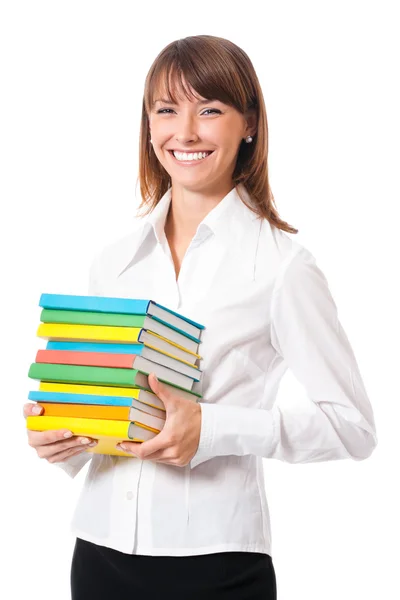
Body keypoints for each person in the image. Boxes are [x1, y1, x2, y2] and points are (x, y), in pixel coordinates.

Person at [23, 34, 378, 599]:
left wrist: (213, 427)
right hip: (98, 554)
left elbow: (353, 427)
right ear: (147, 124)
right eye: (166, 110)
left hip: (216, 565)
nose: (184, 132)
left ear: (249, 124)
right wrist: (62, 438)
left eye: (209, 110)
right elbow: (111, 406)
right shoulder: (112, 263)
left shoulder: (283, 267)